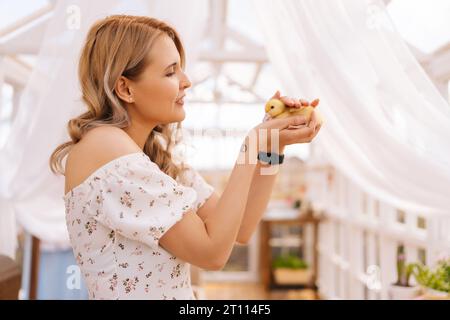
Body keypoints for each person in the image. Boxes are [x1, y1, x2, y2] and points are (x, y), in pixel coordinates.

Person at [49, 15, 321, 300]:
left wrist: (273, 147)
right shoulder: (105, 147)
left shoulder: (150, 159)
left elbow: (241, 228)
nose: (187, 81)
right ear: (125, 88)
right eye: (170, 72)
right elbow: (212, 253)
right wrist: (252, 145)